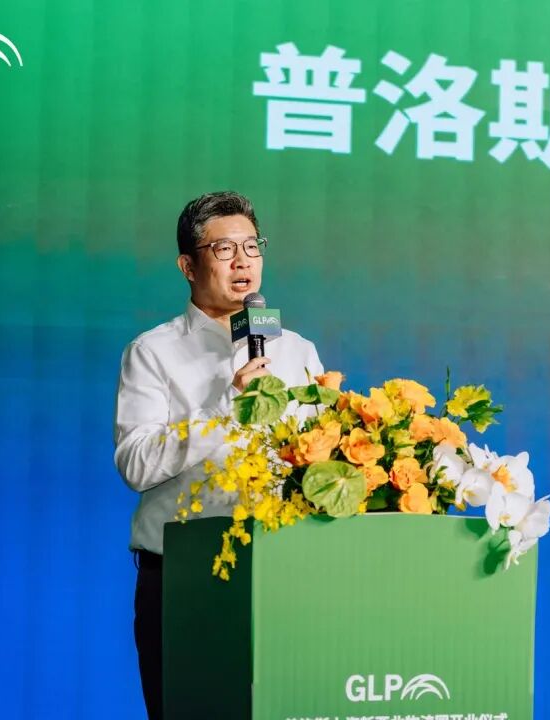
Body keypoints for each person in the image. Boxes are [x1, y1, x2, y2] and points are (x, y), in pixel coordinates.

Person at [112, 191, 324, 720]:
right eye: (224, 249)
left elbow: (318, 455)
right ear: (189, 266)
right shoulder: (153, 351)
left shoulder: (296, 350)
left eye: (252, 246)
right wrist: (227, 406)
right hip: (184, 579)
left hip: (285, 572)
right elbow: (136, 463)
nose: (242, 261)